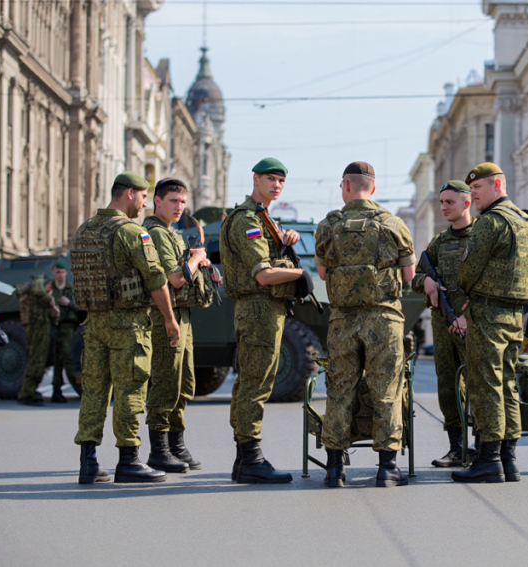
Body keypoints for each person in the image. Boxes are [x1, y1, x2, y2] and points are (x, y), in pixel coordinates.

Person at [71, 171, 181, 485]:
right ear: (130, 193)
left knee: (93, 392)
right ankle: (129, 460)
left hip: (93, 324)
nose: (145, 204)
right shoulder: (132, 232)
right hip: (127, 325)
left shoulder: (84, 229)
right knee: (130, 389)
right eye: (144, 197)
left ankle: (88, 462)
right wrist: (170, 320)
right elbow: (156, 279)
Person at [315, 161, 416, 488]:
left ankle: (334, 469)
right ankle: (387, 468)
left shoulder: (328, 226)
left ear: (345, 185)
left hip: (342, 320)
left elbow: (322, 273)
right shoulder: (393, 224)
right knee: (386, 389)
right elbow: (410, 276)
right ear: (373, 187)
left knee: (339, 389)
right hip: (384, 318)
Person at [451, 163, 528, 484]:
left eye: (478, 188)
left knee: (486, 382)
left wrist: (467, 292)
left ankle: (489, 459)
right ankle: (509, 458)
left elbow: (466, 272)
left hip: (488, 314)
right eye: (472, 189)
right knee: (507, 383)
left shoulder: (491, 223)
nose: (473, 194)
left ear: (498, 184)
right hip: (516, 314)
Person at [220, 158, 312, 484]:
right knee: (255, 386)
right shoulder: (248, 220)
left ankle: (244, 459)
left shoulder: (263, 218)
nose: (276, 185)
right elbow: (262, 274)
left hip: (265, 310)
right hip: (259, 309)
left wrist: (284, 243)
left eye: (281, 181)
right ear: (255, 179)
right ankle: (251, 459)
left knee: (252, 383)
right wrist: (301, 273)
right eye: (270, 179)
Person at [143, 178, 218, 473]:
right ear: (157, 201)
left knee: (184, 381)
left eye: (183, 202)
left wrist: (202, 267)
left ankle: (176, 445)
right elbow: (174, 279)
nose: (179, 207)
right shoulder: (156, 234)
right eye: (173, 201)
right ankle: (159, 450)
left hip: (182, 314)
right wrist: (197, 257)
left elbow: (185, 272)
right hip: (165, 316)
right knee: (165, 380)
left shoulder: (172, 233)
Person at [412, 180, 475, 468]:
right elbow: (414, 275)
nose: (444, 207)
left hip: (473, 324)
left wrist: (468, 315)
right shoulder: (440, 241)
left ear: (467, 202)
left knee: (478, 384)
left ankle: (485, 446)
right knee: (447, 385)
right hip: (442, 323)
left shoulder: (481, 237)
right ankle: (456, 446)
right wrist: (425, 280)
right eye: (441, 202)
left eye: (450, 202)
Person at [17, 274, 59, 407]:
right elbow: (38, 290)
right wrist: (50, 300)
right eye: (49, 287)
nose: (49, 290)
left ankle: (29, 391)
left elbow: (53, 316)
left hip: (43, 329)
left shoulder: (42, 298)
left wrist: (54, 308)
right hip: (37, 329)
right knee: (35, 361)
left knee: (39, 362)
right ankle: (27, 393)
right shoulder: (38, 285)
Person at [46, 259, 77, 403]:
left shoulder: (70, 289)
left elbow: (81, 308)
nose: (60, 275)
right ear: (54, 272)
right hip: (53, 326)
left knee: (67, 358)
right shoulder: (49, 288)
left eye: (62, 272)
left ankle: (79, 388)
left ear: (66, 273)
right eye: (57, 272)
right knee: (57, 360)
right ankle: (56, 391)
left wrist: (69, 303)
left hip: (67, 327)